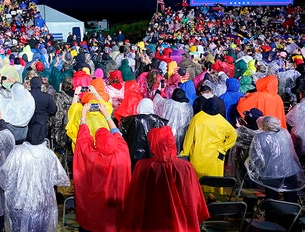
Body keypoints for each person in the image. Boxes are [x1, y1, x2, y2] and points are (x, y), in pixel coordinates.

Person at [121, 126, 209, 231]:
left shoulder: (143, 166)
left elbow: (134, 199)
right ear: (171, 141)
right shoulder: (186, 167)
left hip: (151, 221)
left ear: (153, 143)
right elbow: (193, 198)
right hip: (179, 221)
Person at [73, 102, 131, 232]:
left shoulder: (90, 155)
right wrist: (106, 116)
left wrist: (83, 115)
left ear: (96, 142)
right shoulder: (122, 151)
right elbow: (116, 132)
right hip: (114, 218)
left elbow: (83, 138)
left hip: (91, 217)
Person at [0, 125, 70, 232]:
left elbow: (5, 175)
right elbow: (60, 178)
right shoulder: (48, 154)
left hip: (19, 202)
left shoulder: (17, 152)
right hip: (42, 203)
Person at [245, 116, 305, 202]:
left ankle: (273, 212)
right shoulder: (285, 133)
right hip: (289, 169)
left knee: (272, 196)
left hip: (271, 172)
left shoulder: (260, 137)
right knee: (290, 196)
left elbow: (256, 156)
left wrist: (254, 168)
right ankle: (292, 213)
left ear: (265, 125)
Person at [181, 97, 237, 179]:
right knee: (214, 182)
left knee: (197, 182)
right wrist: (223, 148)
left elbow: (189, 138)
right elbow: (233, 135)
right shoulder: (222, 121)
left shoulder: (197, 118)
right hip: (215, 157)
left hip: (197, 156)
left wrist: (184, 153)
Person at [120, 98, 168, 168]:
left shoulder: (132, 120)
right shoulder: (159, 121)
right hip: (153, 155)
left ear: (140, 106)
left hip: (135, 155)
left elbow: (124, 136)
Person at [26, 76, 57, 145]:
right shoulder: (47, 97)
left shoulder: (26, 95)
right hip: (42, 126)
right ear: (40, 85)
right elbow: (53, 110)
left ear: (31, 85)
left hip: (28, 125)